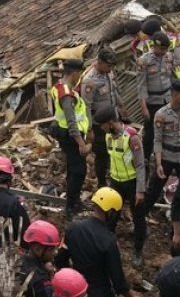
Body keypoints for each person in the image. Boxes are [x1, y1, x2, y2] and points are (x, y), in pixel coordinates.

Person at [131, 79, 180, 265]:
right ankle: (138, 223)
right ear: (174, 94)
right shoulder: (161, 114)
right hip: (167, 157)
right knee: (152, 192)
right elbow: (157, 141)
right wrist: (159, 163)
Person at [50, 58, 91, 216]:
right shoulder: (66, 95)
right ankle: (71, 206)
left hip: (66, 133)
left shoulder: (59, 87)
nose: (80, 76)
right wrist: (81, 143)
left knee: (72, 169)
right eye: (79, 73)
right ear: (74, 73)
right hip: (71, 136)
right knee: (79, 171)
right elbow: (71, 122)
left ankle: (74, 201)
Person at [93, 107, 144, 229]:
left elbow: (140, 164)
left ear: (110, 123)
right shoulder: (108, 137)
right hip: (115, 182)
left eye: (103, 125)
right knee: (111, 214)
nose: (101, 128)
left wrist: (140, 191)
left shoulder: (132, 137)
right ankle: (106, 239)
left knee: (138, 216)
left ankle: (138, 246)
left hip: (132, 183)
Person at [134, 31, 180, 165]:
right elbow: (141, 86)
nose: (163, 52)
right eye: (160, 49)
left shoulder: (169, 57)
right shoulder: (144, 61)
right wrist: (143, 107)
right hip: (152, 102)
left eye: (165, 49)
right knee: (150, 133)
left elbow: (173, 73)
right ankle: (145, 159)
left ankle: (165, 157)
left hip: (167, 99)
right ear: (153, 46)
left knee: (169, 129)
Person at [80, 48, 121, 189]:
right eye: (108, 66)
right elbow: (86, 106)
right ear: (100, 62)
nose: (111, 69)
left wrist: (121, 106)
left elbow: (113, 92)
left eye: (112, 67)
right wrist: (90, 128)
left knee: (115, 147)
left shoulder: (108, 73)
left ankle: (115, 175)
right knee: (102, 153)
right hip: (99, 123)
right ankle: (102, 182)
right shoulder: (90, 80)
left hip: (112, 118)